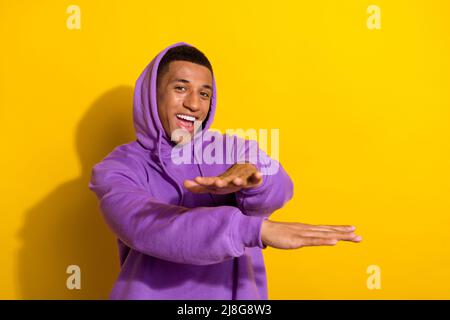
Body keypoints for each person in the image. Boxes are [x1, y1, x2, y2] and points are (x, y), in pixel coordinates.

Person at [88, 42, 362, 300]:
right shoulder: (118, 167)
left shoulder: (233, 148)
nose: (194, 104)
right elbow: (145, 226)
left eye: (204, 94)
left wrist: (254, 179)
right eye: (181, 88)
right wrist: (251, 229)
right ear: (151, 95)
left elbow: (281, 187)